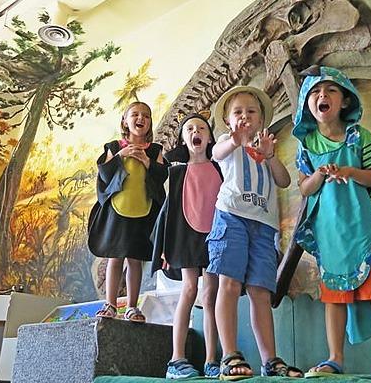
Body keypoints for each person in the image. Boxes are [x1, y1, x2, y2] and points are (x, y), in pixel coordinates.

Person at [292, 65, 371, 381]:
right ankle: (334, 358)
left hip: (365, 230)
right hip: (330, 238)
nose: (322, 96)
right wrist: (319, 174)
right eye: (315, 92)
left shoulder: (361, 136)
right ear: (308, 105)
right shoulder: (306, 145)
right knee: (333, 298)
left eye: (330, 90)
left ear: (345, 101)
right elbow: (304, 188)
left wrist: (348, 172)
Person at [206, 85, 302, 380]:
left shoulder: (266, 147)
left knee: (261, 291)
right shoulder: (227, 142)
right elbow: (215, 152)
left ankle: (270, 359)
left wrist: (271, 155)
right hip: (232, 217)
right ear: (228, 120)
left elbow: (284, 181)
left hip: (264, 225)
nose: (245, 117)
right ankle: (229, 354)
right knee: (230, 284)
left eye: (251, 111)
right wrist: (234, 140)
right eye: (238, 112)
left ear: (261, 119)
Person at [150, 113, 222, 379]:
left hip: (216, 234)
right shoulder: (176, 172)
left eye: (201, 127)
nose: (196, 131)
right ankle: (176, 359)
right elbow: (169, 212)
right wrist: (165, 247)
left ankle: (213, 359)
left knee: (211, 293)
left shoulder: (219, 167)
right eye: (190, 128)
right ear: (183, 139)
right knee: (189, 289)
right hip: (186, 236)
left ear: (210, 136)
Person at [87, 101, 168, 323]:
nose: (140, 118)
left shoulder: (155, 150)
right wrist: (122, 155)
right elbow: (104, 174)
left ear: (149, 122)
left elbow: (161, 176)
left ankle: (132, 306)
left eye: (146, 115)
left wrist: (146, 161)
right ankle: (110, 303)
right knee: (115, 257)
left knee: (135, 259)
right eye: (135, 114)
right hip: (117, 211)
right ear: (125, 120)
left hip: (143, 211)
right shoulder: (114, 147)